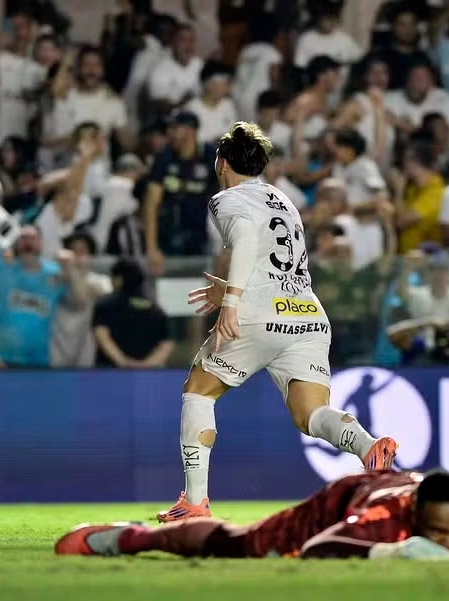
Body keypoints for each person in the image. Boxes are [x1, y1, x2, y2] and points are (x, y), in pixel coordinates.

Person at [157, 121, 398, 523]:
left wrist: (231, 302)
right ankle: (369, 447)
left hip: (258, 315)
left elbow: (249, 240)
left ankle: (195, 504)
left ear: (221, 162)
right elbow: (274, 261)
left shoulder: (227, 199)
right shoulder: (283, 201)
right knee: (312, 415)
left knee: (198, 391)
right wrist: (236, 290)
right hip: (306, 314)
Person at [56, 469, 449, 560]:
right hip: (347, 499)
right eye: (436, 534)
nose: (448, 543)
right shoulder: (387, 519)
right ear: (415, 518)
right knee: (241, 546)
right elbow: (319, 549)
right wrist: (395, 552)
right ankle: (134, 539)